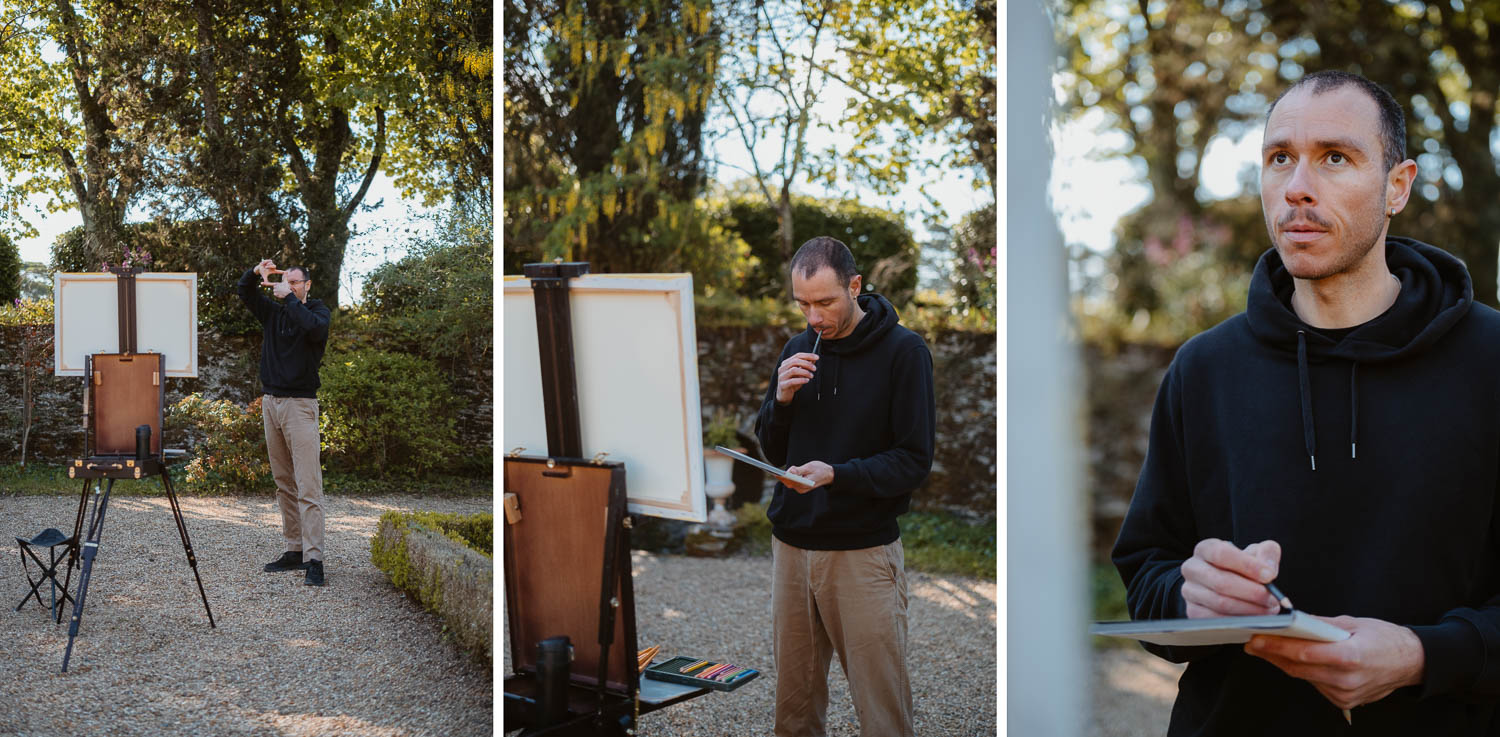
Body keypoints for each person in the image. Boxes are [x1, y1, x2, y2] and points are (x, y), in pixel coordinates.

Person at [1112, 70, 1500, 734]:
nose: (1296, 186)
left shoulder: (1490, 359)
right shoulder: (1203, 368)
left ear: (1397, 185)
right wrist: (1192, 596)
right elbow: (1149, 576)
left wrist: (1422, 655)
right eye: (1279, 158)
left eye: (1335, 158)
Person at [753, 236, 935, 737]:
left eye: (825, 302)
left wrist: (838, 473)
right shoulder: (796, 349)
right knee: (794, 709)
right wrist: (781, 401)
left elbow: (914, 461)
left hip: (862, 552)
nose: (814, 317)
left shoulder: (905, 351)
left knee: (881, 708)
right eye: (803, 304)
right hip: (791, 548)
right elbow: (773, 448)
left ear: (855, 286)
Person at [237, 260, 332, 587]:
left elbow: (313, 329)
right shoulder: (274, 313)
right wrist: (254, 271)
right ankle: (294, 549)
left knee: (308, 485)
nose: (289, 287)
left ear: (307, 284)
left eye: (295, 283)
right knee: (284, 483)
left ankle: (314, 558)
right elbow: (243, 292)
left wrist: (289, 299)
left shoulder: (317, 312)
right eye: (285, 282)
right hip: (271, 403)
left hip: (300, 406)